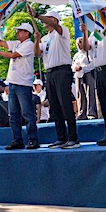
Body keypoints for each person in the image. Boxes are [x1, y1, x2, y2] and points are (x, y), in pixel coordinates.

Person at [33, 9, 78, 149]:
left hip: (62, 71)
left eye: (48, 18)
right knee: (55, 106)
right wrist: (36, 40)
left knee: (65, 103)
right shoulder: (45, 38)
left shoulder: (62, 31)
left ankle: (73, 138)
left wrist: (37, 15)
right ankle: (61, 137)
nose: (44, 21)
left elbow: (55, 25)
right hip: (50, 73)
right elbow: (37, 53)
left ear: (54, 19)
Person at [0, 23, 39, 150]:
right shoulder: (17, 43)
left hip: (23, 84)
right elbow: (0, 42)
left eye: (19, 31)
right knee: (13, 114)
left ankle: (33, 139)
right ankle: (17, 139)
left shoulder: (28, 44)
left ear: (26, 33)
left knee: (27, 113)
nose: (17, 33)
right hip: (12, 83)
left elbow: (13, 55)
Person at [72, 37, 97, 119]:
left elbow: (93, 64)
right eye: (77, 43)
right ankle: (82, 112)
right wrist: (75, 68)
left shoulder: (88, 53)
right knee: (80, 94)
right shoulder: (76, 55)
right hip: (78, 76)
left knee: (90, 94)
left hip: (87, 73)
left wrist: (83, 68)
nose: (79, 45)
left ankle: (91, 113)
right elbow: (72, 65)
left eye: (80, 43)